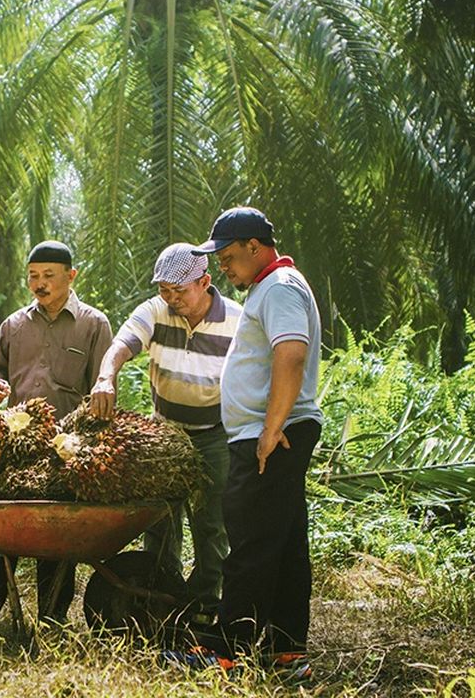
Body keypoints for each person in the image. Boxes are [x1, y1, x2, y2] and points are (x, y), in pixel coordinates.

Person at [193, 207, 322, 669]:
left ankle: (228, 653)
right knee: (283, 543)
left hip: (271, 437)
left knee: (248, 542)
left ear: (254, 246)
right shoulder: (271, 288)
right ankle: (286, 649)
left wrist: (270, 430)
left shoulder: (280, 288)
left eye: (228, 257)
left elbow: (291, 353)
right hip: (274, 432)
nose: (223, 268)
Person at [88, 243, 241, 617]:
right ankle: (159, 598)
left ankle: (205, 604)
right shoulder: (155, 311)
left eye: (180, 291)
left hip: (215, 433)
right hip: (165, 432)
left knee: (211, 524)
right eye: (164, 290)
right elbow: (120, 346)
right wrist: (106, 378)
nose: (171, 299)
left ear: (204, 282)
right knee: (159, 519)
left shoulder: (237, 320)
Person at [0, 240, 112, 621]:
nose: (39, 284)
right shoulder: (14, 325)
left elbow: (103, 390)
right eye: (33, 276)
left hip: (66, 449)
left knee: (57, 533)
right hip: (15, 445)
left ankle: (52, 614)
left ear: (71, 276)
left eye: (49, 275)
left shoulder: (94, 325)